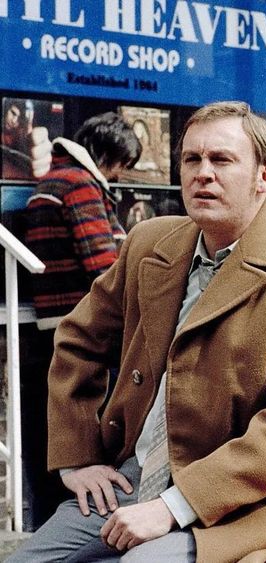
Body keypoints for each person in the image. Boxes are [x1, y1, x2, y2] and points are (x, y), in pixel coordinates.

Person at [10, 101, 266, 562]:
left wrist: (173, 507)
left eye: (222, 160)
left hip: (252, 496)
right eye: (191, 159)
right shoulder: (150, 243)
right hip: (135, 480)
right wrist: (80, 459)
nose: (202, 173)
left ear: (265, 177)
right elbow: (77, 340)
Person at [19, 112, 141, 531]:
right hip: (83, 329)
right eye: (122, 163)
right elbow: (105, 267)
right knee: (87, 446)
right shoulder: (80, 185)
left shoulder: (55, 182)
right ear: (108, 154)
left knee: (48, 444)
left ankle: (50, 530)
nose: (121, 173)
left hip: (53, 328)